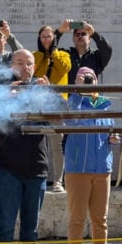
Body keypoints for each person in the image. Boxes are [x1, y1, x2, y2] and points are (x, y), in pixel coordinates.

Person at [0, 50, 54, 244]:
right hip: (8, 168)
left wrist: (49, 95)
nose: (25, 68)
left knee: (31, 226)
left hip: (37, 167)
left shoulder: (41, 90)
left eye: (29, 64)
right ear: (10, 66)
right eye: (19, 63)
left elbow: (60, 120)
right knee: (6, 225)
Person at [63, 66, 117, 244]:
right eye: (83, 77)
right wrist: (78, 90)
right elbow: (70, 121)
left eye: (91, 78)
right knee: (77, 219)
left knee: (100, 219)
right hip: (78, 168)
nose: (87, 81)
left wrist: (115, 139)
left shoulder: (106, 105)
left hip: (102, 168)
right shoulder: (73, 102)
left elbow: (111, 132)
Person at [35, 25, 72, 192]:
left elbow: (65, 68)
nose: (46, 39)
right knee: (37, 143)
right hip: (39, 105)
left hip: (56, 105)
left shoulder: (63, 55)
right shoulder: (35, 56)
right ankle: (38, 178)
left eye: (49, 36)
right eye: (43, 36)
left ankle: (57, 181)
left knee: (57, 145)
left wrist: (54, 51)